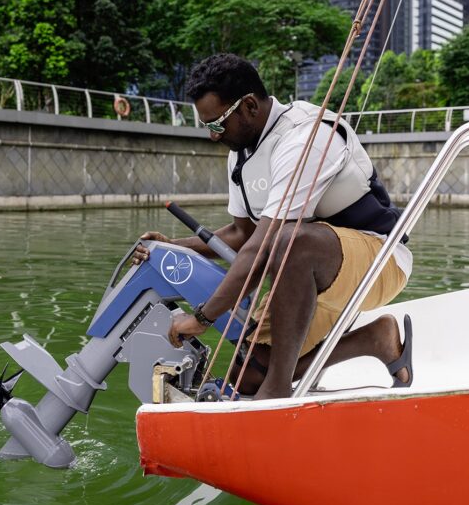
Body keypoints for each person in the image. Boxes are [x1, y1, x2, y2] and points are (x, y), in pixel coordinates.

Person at [133, 54, 413, 400]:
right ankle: (375, 339)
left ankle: (277, 391)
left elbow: (264, 245)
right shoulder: (242, 151)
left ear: (249, 106)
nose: (211, 135)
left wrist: (202, 319)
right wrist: (174, 246)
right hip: (310, 267)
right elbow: (243, 235)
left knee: (289, 242)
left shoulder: (305, 138)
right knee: (248, 372)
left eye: (217, 124)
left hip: (379, 259)